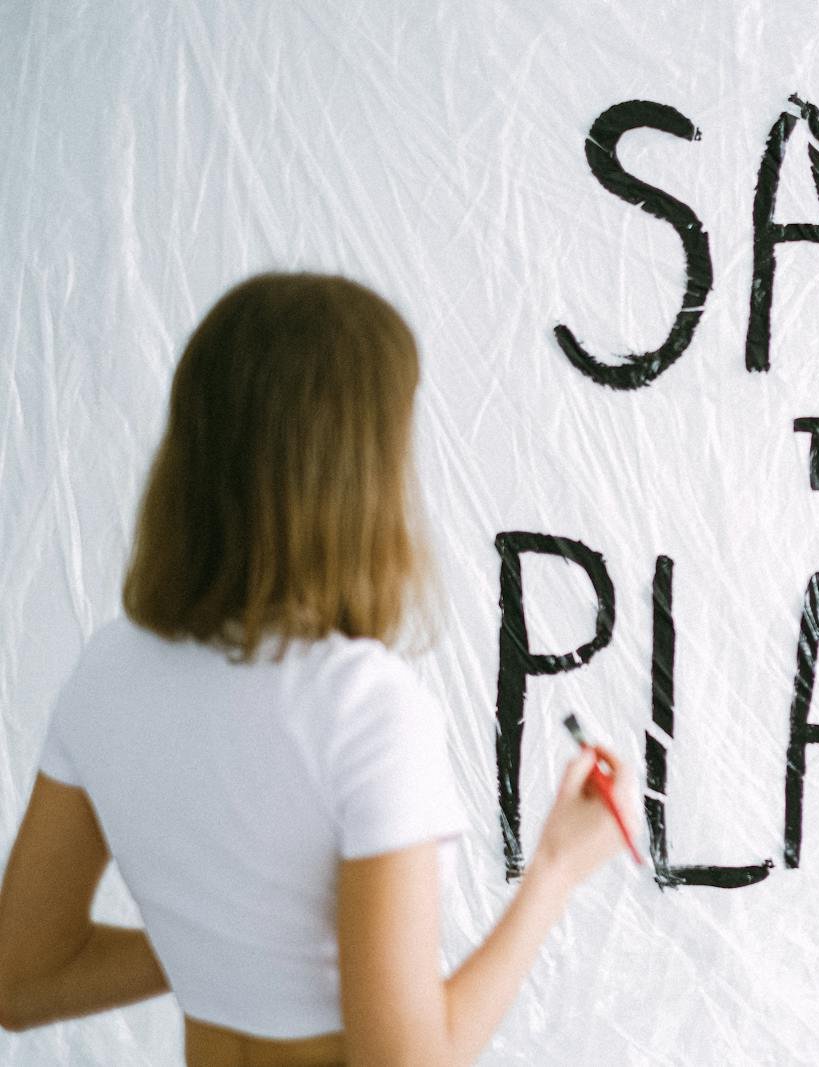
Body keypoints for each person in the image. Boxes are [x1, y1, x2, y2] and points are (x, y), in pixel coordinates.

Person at [0, 271, 638, 1066]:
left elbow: (22, 977)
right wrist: (554, 872)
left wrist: (225, 933)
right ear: (361, 474)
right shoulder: (365, 706)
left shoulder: (109, 671)